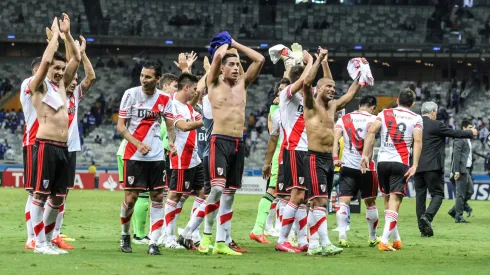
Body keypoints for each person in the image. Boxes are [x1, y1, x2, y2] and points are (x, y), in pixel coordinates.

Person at [198, 36, 264, 256]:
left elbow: (260, 59)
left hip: (238, 143)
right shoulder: (213, 83)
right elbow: (217, 56)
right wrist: (224, 48)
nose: (236, 68)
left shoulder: (243, 84)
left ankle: (220, 242)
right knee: (216, 188)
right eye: (232, 64)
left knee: (230, 194)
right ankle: (206, 236)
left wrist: (235, 44)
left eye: (238, 65)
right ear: (222, 68)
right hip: (219, 140)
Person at [301, 49, 364, 256]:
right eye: (328, 86)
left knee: (319, 203)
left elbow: (351, 94)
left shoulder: (333, 106)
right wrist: (318, 60)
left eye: (334, 87)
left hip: (328, 159)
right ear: (318, 88)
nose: (332, 90)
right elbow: (305, 83)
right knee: (318, 201)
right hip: (314, 157)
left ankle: (313, 245)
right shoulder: (310, 104)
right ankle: (323, 243)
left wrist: (361, 73)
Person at [28, 14, 81, 255]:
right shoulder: (37, 85)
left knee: (58, 198)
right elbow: (48, 59)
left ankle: (48, 241)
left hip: (63, 148)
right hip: (46, 145)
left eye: (62, 68)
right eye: (56, 68)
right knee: (40, 195)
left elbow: (77, 59)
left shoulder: (61, 87)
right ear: (46, 69)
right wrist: (55, 40)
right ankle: (38, 242)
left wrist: (68, 35)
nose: (60, 72)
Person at [45, 29, 96, 249]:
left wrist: (83, 54)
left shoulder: (76, 94)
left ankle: (55, 232)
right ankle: (43, 233)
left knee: (63, 193)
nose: (75, 81)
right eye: (72, 78)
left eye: (76, 78)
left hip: (71, 146)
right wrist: (63, 41)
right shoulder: (59, 90)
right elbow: (67, 68)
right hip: (53, 143)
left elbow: (91, 77)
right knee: (47, 192)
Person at [117, 61, 174, 255]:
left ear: (158, 79)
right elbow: (121, 126)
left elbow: (171, 125)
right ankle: (125, 234)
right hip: (133, 155)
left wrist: (172, 142)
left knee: (158, 197)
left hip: (157, 156)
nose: (143, 80)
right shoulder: (130, 94)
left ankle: (154, 242)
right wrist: (137, 144)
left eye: (148, 77)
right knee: (131, 199)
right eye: (142, 75)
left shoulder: (165, 99)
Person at [361, 88, 423, 252]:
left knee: (388, 200)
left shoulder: (384, 113)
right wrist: (415, 165)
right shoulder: (416, 118)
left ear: (397, 100)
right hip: (400, 162)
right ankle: (384, 241)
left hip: (382, 162)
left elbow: (371, 131)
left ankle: (396, 239)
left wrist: (366, 156)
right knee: (395, 201)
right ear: (413, 104)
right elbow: (417, 141)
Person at [414, 102, 476, 237]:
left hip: (416, 166)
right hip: (433, 166)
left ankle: (422, 228)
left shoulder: (415, 123)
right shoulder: (436, 124)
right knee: (438, 194)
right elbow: (455, 133)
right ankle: (427, 218)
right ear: (432, 112)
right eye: (435, 113)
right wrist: (470, 132)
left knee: (420, 196)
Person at [333, 95, 380, 248]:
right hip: (366, 167)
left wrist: (335, 157)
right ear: (373, 107)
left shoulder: (344, 118)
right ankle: (372, 237)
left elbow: (335, 138)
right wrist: (366, 156)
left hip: (347, 165)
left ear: (359, 104)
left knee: (343, 201)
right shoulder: (374, 120)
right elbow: (371, 139)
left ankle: (342, 235)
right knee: (370, 203)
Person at [164, 73, 205, 249]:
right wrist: (210, 121)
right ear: (186, 87)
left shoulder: (189, 108)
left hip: (194, 158)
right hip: (181, 158)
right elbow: (183, 126)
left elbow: (195, 121)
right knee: (175, 195)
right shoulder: (173, 105)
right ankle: (168, 237)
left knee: (205, 193)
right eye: (194, 89)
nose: (196, 92)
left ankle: (189, 231)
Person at [251, 78, 290, 244]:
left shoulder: (300, 108)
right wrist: (267, 163)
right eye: (280, 90)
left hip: (297, 155)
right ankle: (258, 229)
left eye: (286, 89)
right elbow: (273, 139)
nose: (283, 92)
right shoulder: (276, 112)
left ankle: (292, 235)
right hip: (282, 155)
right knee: (274, 191)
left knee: (295, 195)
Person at [448, 120, 476, 223]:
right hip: (461, 170)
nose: (471, 129)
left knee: (470, 191)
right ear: (464, 128)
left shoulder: (468, 139)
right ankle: (458, 216)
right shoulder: (459, 139)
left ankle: (454, 210)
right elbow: (456, 156)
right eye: (469, 127)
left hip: (467, 169)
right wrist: (456, 171)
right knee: (460, 194)